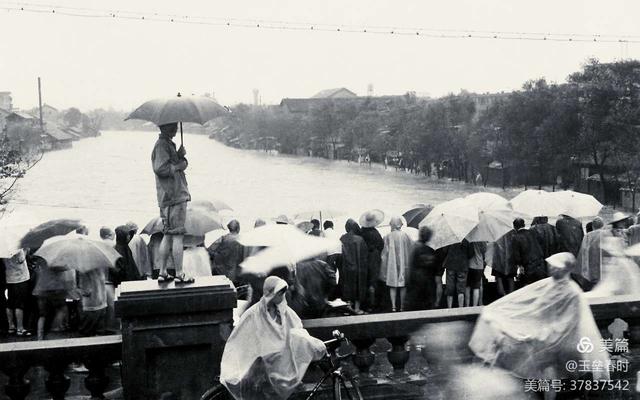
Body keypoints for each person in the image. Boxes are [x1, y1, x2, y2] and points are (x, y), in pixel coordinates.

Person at [469, 253, 610, 400]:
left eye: (556, 267)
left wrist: (541, 334)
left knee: (561, 376)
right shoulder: (550, 284)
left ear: (566, 269)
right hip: (548, 341)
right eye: (552, 267)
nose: (552, 270)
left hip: (561, 343)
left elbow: (568, 322)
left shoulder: (572, 292)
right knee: (551, 377)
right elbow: (531, 305)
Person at [220, 276, 327, 400]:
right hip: (261, 364)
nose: (282, 297)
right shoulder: (253, 314)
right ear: (272, 294)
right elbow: (242, 338)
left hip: (279, 363)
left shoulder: (284, 311)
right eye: (279, 294)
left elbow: (296, 329)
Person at [152, 122, 192, 284]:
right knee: (177, 235)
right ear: (166, 127)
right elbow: (161, 168)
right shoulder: (162, 145)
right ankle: (179, 273)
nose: (176, 128)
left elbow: (170, 164)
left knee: (168, 234)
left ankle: (162, 272)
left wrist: (179, 155)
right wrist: (179, 165)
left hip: (168, 196)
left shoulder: (165, 145)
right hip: (174, 195)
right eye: (173, 126)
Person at [31, 256, 78, 340]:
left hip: (41, 289)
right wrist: (71, 264)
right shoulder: (55, 259)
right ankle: (55, 330)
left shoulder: (42, 258)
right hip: (54, 289)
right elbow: (61, 268)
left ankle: (40, 338)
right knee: (61, 308)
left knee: (42, 315)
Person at [380, 216, 414, 312]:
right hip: (404, 263)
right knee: (403, 285)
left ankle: (393, 306)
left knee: (392, 285)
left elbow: (384, 254)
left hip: (392, 264)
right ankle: (402, 307)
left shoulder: (387, 236)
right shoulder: (405, 235)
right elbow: (412, 248)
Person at [406, 227, 442, 311]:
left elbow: (411, 264)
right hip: (425, 282)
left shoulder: (414, 247)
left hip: (415, 280)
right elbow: (433, 266)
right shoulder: (428, 250)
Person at [339, 219, 369, 314]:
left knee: (347, 286)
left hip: (346, 267)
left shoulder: (342, 239)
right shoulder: (359, 239)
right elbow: (364, 255)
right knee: (358, 287)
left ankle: (348, 308)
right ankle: (357, 308)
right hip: (358, 268)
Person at [359, 215, 384, 312]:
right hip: (375, 258)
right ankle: (373, 304)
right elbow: (381, 245)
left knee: (366, 280)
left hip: (365, 258)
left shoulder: (362, 232)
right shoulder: (375, 233)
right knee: (373, 280)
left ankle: (366, 304)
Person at [512, 218, 547, 285]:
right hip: (540, 262)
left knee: (529, 285)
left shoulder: (515, 237)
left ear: (514, 227)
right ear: (524, 225)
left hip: (528, 265)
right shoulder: (532, 232)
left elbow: (517, 255)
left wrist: (519, 266)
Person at [4, 249, 31, 336]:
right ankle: (20, 328)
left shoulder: (3, 248)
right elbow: (20, 260)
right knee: (19, 304)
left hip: (9, 277)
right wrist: (26, 250)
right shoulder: (17, 247)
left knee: (10, 303)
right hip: (20, 278)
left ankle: (11, 326)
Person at [443, 240, 473, 308]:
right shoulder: (467, 239)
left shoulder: (450, 238)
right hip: (462, 266)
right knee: (461, 289)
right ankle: (461, 309)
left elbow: (444, 250)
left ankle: (449, 309)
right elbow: (471, 253)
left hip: (450, 265)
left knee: (450, 287)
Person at [466, 242, 487, 307]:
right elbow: (484, 252)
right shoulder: (482, 240)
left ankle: (467, 306)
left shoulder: (469, 240)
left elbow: (467, 253)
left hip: (469, 265)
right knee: (476, 287)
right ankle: (475, 306)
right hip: (479, 266)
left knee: (467, 287)